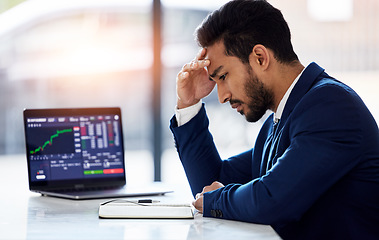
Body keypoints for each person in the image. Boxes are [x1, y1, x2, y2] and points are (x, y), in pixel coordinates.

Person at [169, 0, 379, 239]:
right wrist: (189, 103)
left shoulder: (331, 106)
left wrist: (217, 198)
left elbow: (271, 202)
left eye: (224, 76)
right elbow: (209, 188)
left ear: (260, 57)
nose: (222, 96)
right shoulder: (279, 121)